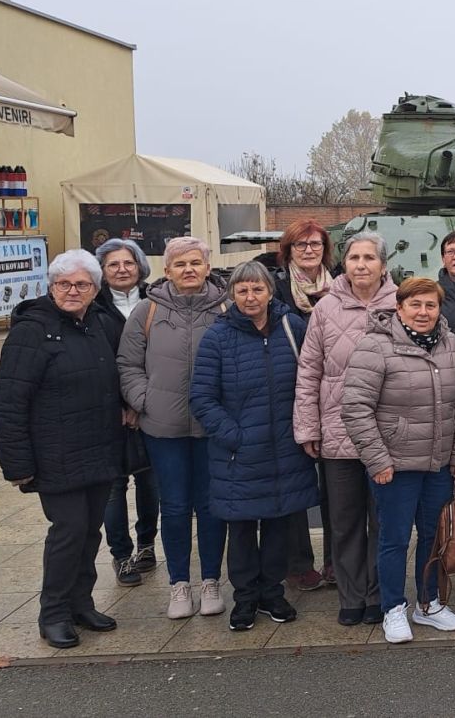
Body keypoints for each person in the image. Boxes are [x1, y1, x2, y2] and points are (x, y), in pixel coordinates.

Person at [0, 250, 127, 649]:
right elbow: (9, 402)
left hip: (99, 448)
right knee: (68, 531)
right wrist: (17, 464)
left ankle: (81, 603)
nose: (72, 291)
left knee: (90, 531)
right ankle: (52, 613)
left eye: (81, 284)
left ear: (95, 289)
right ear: (50, 287)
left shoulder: (99, 324)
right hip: (55, 454)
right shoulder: (32, 331)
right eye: (63, 284)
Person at [340, 277, 455, 642]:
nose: (423, 312)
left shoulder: (451, 344)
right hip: (395, 466)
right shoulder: (375, 346)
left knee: (433, 537)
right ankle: (393, 607)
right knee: (394, 539)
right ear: (399, 308)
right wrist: (377, 460)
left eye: (431, 305)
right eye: (415, 304)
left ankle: (428, 604)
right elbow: (355, 407)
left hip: (438, 464)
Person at [189, 262, 315, 631]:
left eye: (257, 289)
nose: (250, 297)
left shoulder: (292, 328)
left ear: (270, 292)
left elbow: (311, 379)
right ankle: (244, 597)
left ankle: (272, 592)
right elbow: (202, 398)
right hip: (239, 452)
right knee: (241, 527)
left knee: (278, 524)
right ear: (232, 295)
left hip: (285, 449)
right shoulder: (218, 337)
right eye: (242, 290)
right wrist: (235, 436)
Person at [117, 236, 231, 620]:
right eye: (180, 264)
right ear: (167, 271)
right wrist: (144, 400)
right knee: (175, 506)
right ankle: (179, 584)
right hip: (163, 428)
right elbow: (128, 364)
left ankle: (211, 580)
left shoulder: (226, 308)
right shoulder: (146, 311)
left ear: (207, 267)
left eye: (195, 262)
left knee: (211, 506)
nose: (189, 270)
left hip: (212, 428)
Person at [293, 231, 397, 626]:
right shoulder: (326, 308)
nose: (361, 265)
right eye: (354, 257)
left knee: (383, 521)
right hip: (338, 431)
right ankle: (351, 596)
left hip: (387, 433)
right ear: (345, 264)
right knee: (345, 521)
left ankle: (378, 593)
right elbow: (309, 371)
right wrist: (308, 427)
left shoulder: (401, 303)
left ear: (383, 265)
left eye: (370, 257)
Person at [268, 219, 336, 592]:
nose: (309, 250)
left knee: (337, 486)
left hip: (335, 395)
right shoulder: (275, 289)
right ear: (288, 250)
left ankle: (336, 560)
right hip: (289, 392)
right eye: (300, 245)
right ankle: (298, 563)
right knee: (295, 482)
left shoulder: (340, 285)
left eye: (315, 244)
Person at [94, 239, 159, 588]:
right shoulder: (93, 306)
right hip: (109, 411)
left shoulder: (157, 301)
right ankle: (121, 554)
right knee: (114, 485)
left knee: (150, 481)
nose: (122, 270)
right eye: (113, 264)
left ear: (139, 267)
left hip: (150, 404)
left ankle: (147, 544)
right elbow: (97, 361)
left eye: (128, 263)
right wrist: (122, 404)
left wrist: (139, 401)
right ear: (102, 271)